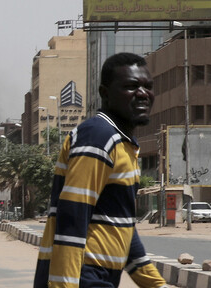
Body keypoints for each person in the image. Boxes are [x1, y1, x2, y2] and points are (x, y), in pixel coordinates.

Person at [34, 53, 167, 288]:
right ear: (105, 93)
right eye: (131, 86)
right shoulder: (98, 137)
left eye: (148, 87)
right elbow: (72, 216)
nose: (143, 94)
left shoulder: (122, 143)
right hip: (83, 275)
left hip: (100, 276)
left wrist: (156, 284)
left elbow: (122, 224)